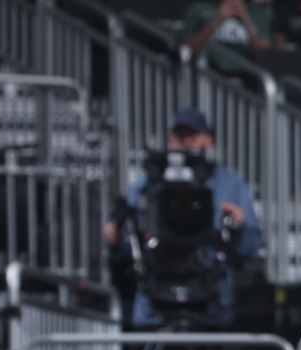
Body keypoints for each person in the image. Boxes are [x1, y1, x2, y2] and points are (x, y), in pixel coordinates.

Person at [108, 107, 262, 328]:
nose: (185, 144)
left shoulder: (231, 185)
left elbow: (251, 246)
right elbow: (123, 240)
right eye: (179, 137)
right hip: (155, 305)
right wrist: (115, 230)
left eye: (191, 136)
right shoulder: (147, 185)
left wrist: (239, 227)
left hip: (210, 305)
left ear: (208, 140)